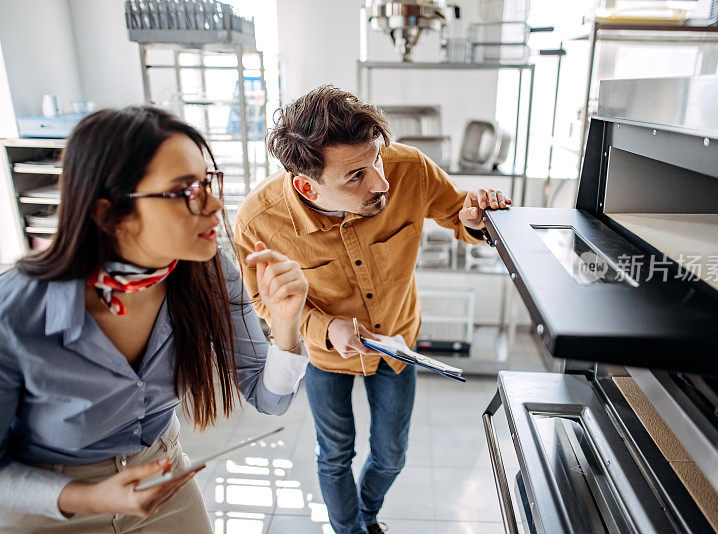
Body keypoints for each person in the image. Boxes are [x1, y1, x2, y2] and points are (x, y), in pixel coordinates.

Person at [0, 106, 310, 533]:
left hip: (163, 482)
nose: (215, 204)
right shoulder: (15, 310)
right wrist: (91, 496)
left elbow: (268, 397)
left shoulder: (211, 269)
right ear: (109, 214)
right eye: (184, 191)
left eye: (207, 182)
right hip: (51, 503)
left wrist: (287, 323)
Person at [234, 85, 511, 534]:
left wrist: (476, 217)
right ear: (307, 185)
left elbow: (457, 213)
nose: (381, 182)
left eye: (377, 159)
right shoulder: (259, 222)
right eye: (356, 176)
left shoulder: (409, 169)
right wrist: (324, 328)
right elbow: (265, 301)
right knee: (335, 454)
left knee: (391, 454)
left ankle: (364, 516)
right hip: (327, 357)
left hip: (397, 343)